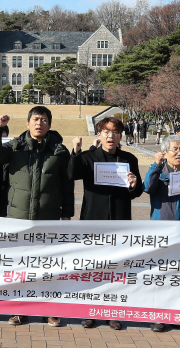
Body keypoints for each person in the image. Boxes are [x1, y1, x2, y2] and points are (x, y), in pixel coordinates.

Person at [0, 106, 74, 327]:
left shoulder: (59, 151)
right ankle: (19, 310)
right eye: (35, 119)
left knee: (48, 267)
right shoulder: (15, 147)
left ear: (49, 124)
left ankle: (49, 310)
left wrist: (67, 214)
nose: (39, 124)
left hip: (49, 215)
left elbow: (67, 184)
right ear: (28, 123)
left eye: (43, 120)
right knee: (20, 267)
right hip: (19, 215)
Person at [69, 116, 142, 331]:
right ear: (99, 134)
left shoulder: (129, 158)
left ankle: (112, 312)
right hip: (93, 219)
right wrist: (76, 151)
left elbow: (136, 192)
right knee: (92, 268)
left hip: (119, 220)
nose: (111, 136)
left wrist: (134, 184)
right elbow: (72, 174)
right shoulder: (89, 157)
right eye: (107, 131)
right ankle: (90, 311)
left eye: (116, 132)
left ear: (121, 135)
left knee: (115, 269)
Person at [144, 135, 180, 334]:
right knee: (162, 275)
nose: (178, 153)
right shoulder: (159, 173)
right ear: (165, 152)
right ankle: (159, 317)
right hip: (163, 231)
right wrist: (155, 166)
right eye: (174, 149)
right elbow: (148, 188)